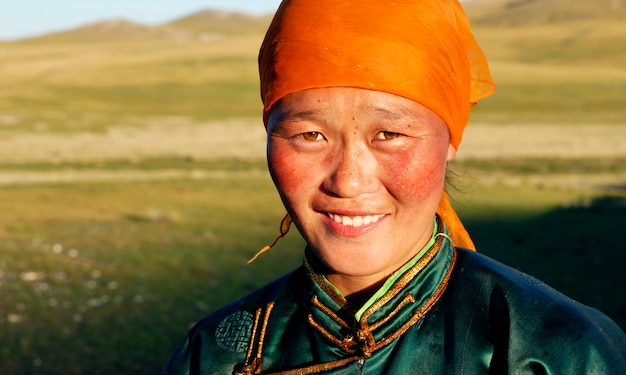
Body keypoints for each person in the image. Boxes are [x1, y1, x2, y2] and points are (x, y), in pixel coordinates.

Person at [163, 0, 626, 373]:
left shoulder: (552, 351)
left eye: (389, 135)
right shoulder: (218, 353)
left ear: (449, 140)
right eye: (310, 135)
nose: (348, 180)